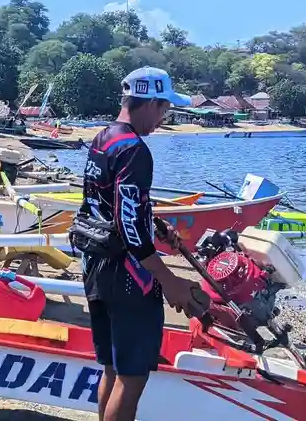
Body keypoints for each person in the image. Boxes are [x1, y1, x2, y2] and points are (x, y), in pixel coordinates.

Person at [71, 67, 208, 421]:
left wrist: (156, 224)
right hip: (127, 279)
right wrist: (170, 281)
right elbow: (129, 227)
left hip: (96, 268)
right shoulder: (135, 149)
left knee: (113, 370)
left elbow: (106, 204)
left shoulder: (103, 139)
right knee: (131, 378)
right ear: (150, 103)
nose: (163, 119)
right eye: (164, 109)